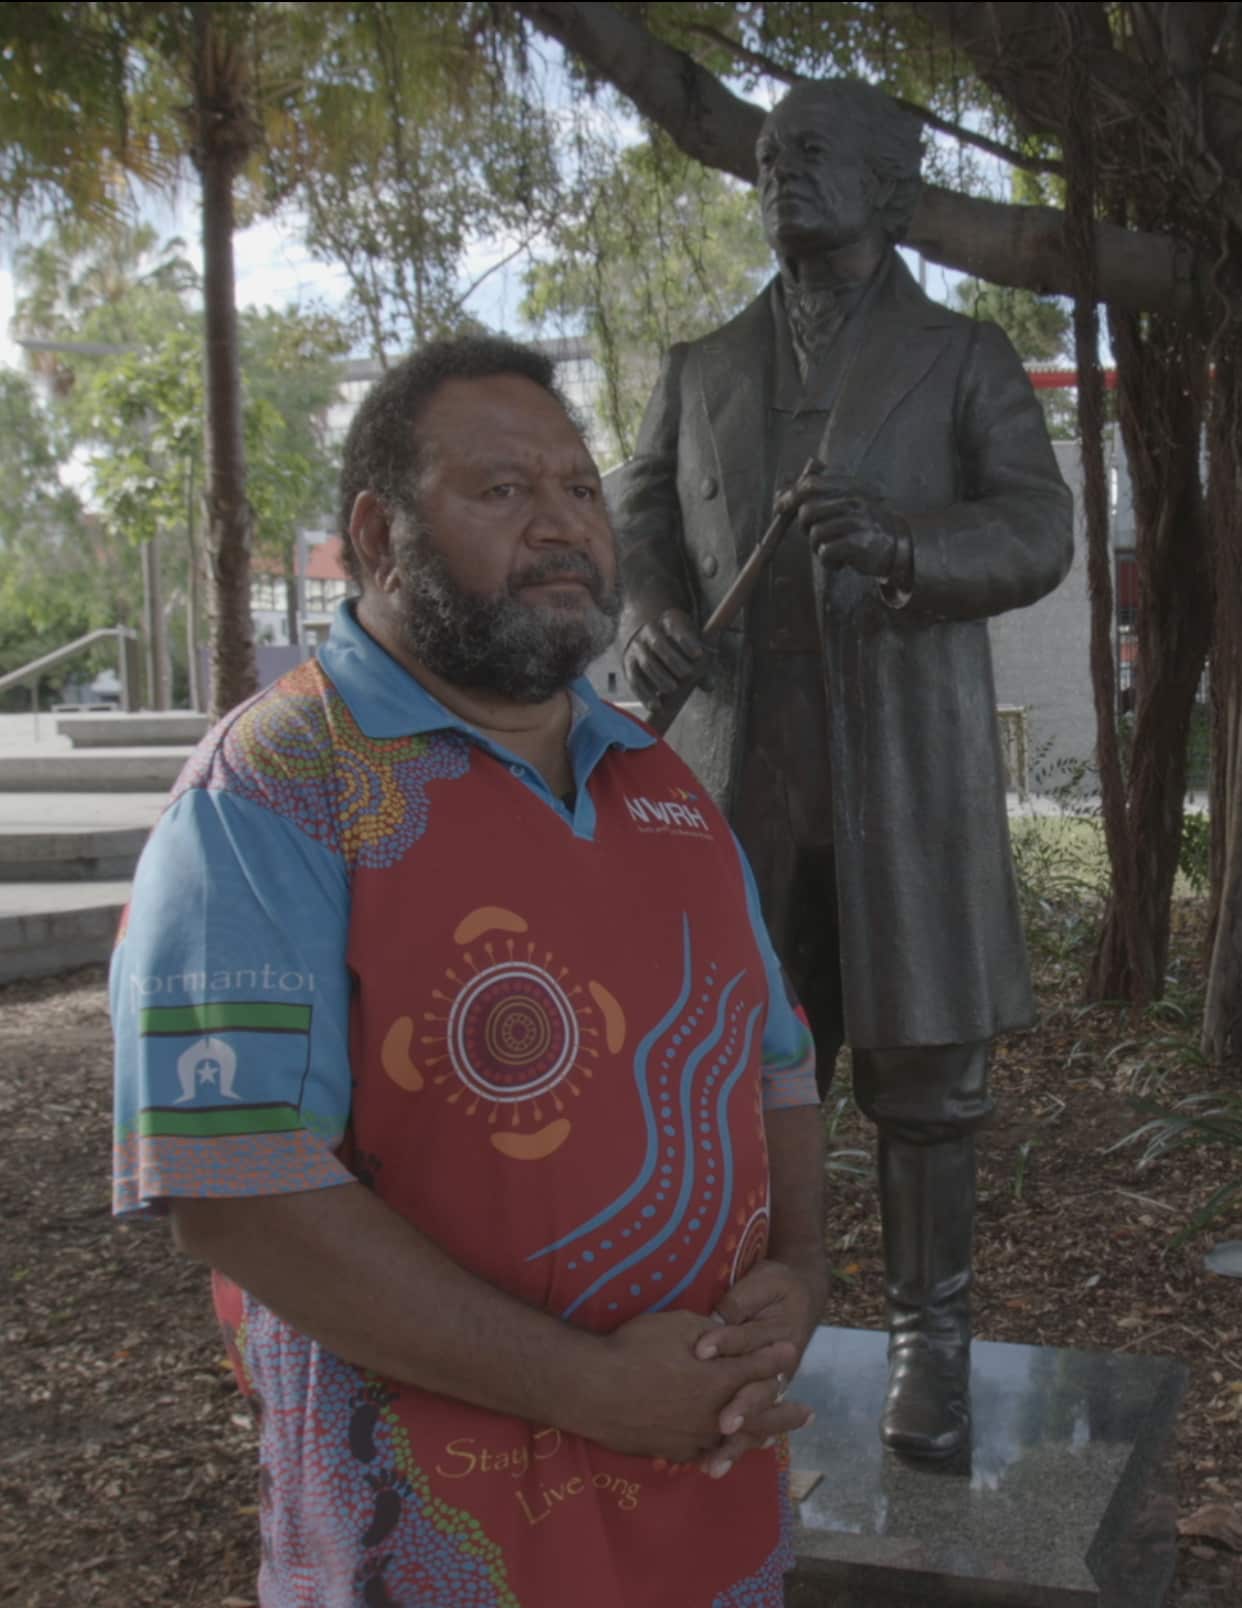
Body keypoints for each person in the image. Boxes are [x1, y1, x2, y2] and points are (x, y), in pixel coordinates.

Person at [111, 335, 828, 1607]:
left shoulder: (659, 782)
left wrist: (803, 1273)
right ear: (380, 536)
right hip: (436, 1549)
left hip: (708, 1524)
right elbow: (236, 1192)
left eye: (582, 490)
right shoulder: (272, 793)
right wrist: (596, 1390)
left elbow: (777, 1064)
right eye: (502, 492)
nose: (562, 526)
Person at [614, 79, 1073, 1460]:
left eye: (812, 153)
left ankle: (932, 1341)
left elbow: (1036, 527)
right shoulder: (700, 367)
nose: (778, 174)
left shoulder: (963, 356)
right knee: (740, 1073)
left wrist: (909, 546)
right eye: (766, 157)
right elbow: (641, 519)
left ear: (886, 188)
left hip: (901, 786)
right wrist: (645, 614)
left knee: (927, 1080)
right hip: (736, 791)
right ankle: (749, 1334)